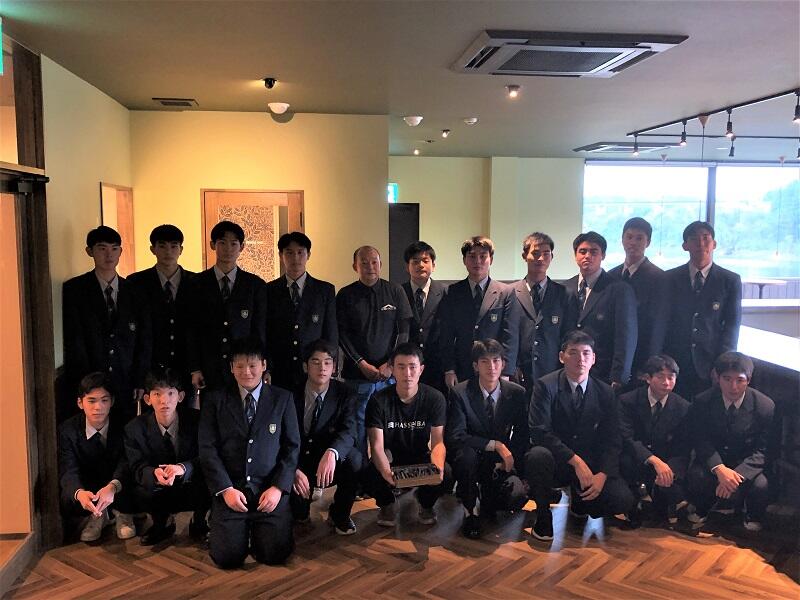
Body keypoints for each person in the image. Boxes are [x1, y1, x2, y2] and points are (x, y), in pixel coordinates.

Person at [199, 337, 300, 568]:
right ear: (231, 367)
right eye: (240, 365)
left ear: (263, 365)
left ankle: (259, 529)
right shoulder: (215, 400)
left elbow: (292, 447)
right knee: (227, 558)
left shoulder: (283, 399)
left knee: (275, 554)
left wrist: (278, 488)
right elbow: (207, 448)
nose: (247, 372)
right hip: (232, 490)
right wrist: (225, 490)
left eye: (253, 365)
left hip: (269, 489)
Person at [525, 331, 635, 542]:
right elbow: (539, 431)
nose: (580, 359)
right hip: (557, 461)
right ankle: (543, 516)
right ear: (561, 357)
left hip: (590, 464)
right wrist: (574, 460)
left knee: (621, 499)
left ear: (594, 359)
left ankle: (580, 503)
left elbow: (613, 439)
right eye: (573, 353)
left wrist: (603, 474)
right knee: (537, 456)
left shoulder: (605, 392)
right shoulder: (545, 386)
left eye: (586, 353)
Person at [62, 225, 151, 422]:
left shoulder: (135, 291)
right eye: (102, 248)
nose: (109, 255)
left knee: (123, 428)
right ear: (90, 251)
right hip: (90, 381)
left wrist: (139, 379)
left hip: (125, 379)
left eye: (114, 248)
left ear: (120, 251)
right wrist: (85, 383)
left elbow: (144, 340)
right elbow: (75, 340)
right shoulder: (75, 289)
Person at [446, 339, 529, 538]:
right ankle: (469, 510)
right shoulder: (460, 392)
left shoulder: (516, 393)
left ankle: (485, 495)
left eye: (496, 361)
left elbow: (522, 434)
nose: (491, 367)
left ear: (503, 364)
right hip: (471, 455)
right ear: (476, 366)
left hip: (499, 462)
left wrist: (509, 460)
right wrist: (495, 445)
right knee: (466, 457)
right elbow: (456, 435)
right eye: (484, 361)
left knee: (516, 497)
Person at [336, 246, 412, 457]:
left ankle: (391, 469)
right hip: (356, 375)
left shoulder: (395, 291)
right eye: (364, 262)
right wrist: (360, 363)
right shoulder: (345, 295)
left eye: (374, 262)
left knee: (391, 423)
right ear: (355, 266)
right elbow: (341, 334)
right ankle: (361, 470)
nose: (370, 266)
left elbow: (404, 332)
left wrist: (390, 364)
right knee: (358, 427)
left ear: (381, 264)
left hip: (389, 375)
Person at [686, 352, 774, 534]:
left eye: (740, 380)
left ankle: (752, 515)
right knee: (697, 475)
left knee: (761, 485)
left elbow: (763, 450)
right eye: (727, 379)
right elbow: (701, 440)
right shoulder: (703, 401)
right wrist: (719, 469)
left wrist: (734, 477)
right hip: (715, 460)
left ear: (748, 380)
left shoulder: (765, 406)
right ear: (717, 378)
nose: (733, 387)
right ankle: (702, 508)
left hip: (745, 463)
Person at [124, 368, 209, 546]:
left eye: (170, 393)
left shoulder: (197, 421)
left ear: (181, 396)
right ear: (147, 399)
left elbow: (207, 456)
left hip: (190, 483)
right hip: (159, 487)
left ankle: (199, 521)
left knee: (211, 477)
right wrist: (153, 474)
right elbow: (136, 465)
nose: (164, 401)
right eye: (157, 394)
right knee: (139, 488)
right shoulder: (135, 428)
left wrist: (184, 468)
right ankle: (162, 522)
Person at [365, 343, 446, 527]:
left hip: (420, 457)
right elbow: (376, 446)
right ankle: (387, 503)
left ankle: (425, 503)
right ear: (392, 369)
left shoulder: (435, 398)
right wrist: (386, 472)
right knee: (366, 472)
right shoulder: (378, 400)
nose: (407, 373)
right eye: (401, 367)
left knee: (446, 473)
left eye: (412, 367)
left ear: (421, 369)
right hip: (391, 459)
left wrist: (438, 467)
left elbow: (438, 442)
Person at [664, 221, 742, 399]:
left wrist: (723, 365)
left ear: (714, 244)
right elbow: (662, 322)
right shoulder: (669, 278)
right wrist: (662, 361)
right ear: (685, 246)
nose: (701, 244)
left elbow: (732, 325)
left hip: (711, 363)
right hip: (675, 362)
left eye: (706, 238)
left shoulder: (730, 280)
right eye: (694, 239)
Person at [187, 221, 267, 393]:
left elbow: (259, 330)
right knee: (211, 408)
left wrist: (261, 366)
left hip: (244, 368)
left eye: (234, 243)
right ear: (212, 245)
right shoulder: (196, 283)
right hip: (209, 366)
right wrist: (195, 368)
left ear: (242, 247)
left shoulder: (255, 285)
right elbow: (191, 329)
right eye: (222, 243)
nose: (228, 249)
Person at [290, 339, 361, 535]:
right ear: (305, 366)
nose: (322, 368)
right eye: (316, 362)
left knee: (354, 459)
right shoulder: (290, 394)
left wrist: (332, 452)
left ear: (334, 368)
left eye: (327, 362)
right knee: (297, 515)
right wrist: (293, 468)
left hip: (327, 460)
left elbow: (349, 431)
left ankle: (339, 514)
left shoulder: (346, 394)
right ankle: (300, 508)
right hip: (299, 461)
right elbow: (282, 436)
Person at [57, 372, 136, 542]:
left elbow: (127, 461)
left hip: (118, 483)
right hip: (90, 484)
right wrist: (79, 493)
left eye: (104, 400)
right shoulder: (68, 430)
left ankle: (123, 513)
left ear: (112, 402)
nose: (98, 407)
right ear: (80, 403)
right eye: (91, 401)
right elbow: (68, 468)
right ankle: (97, 515)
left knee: (136, 475)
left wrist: (113, 486)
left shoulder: (126, 424)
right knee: (68, 495)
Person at [618, 354, 690, 526]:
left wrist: (670, 470)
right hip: (635, 458)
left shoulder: (683, 407)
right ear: (648, 378)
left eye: (671, 377)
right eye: (660, 377)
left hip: (666, 462)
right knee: (624, 485)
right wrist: (653, 460)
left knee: (672, 498)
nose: (666, 382)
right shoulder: (628, 401)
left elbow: (683, 446)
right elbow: (626, 438)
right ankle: (633, 501)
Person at [439, 236, 519, 388]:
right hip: (462, 367)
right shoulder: (452, 292)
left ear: (491, 260)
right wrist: (449, 369)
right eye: (472, 256)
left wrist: (505, 372)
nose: (478, 261)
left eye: (483, 256)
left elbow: (510, 336)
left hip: (494, 368)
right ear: (464, 260)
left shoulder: (506, 292)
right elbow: (446, 334)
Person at [564, 231, 637, 389]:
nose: (587, 256)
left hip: (603, 372)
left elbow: (625, 336)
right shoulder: (565, 288)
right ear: (575, 255)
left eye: (594, 252)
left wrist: (619, 375)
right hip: (568, 370)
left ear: (603, 255)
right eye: (582, 251)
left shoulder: (619, 289)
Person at [265, 232, 338, 391]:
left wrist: (331, 366)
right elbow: (266, 332)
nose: (295, 258)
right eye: (289, 253)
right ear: (281, 255)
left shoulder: (324, 290)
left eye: (300, 252)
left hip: (313, 368)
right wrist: (267, 367)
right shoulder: (269, 290)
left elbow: (330, 332)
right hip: (280, 368)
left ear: (308, 255)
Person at [127, 224, 196, 393]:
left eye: (174, 246)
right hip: (150, 367)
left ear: (181, 249)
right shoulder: (136, 282)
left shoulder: (196, 282)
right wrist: (138, 375)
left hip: (186, 366)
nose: (168, 252)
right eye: (162, 246)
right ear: (153, 249)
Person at [608, 217, 668, 383]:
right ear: (622, 239)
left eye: (639, 238)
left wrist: (651, 364)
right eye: (629, 237)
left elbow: (658, 326)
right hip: (612, 357)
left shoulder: (660, 278)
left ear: (648, 242)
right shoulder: (611, 276)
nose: (633, 242)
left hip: (642, 357)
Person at [512, 232, 568, 393]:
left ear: (552, 257)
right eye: (535, 253)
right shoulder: (510, 292)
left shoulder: (564, 293)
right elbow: (507, 333)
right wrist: (511, 366)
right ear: (524, 256)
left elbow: (567, 334)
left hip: (553, 372)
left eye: (546, 254)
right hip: (519, 372)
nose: (541, 258)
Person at [402, 241, 448, 392]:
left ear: (433, 265)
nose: (420, 265)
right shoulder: (398, 292)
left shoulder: (446, 292)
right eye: (415, 261)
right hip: (407, 366)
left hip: (438, 365)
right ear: (407, 267)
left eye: (425, 261)